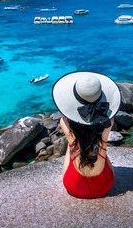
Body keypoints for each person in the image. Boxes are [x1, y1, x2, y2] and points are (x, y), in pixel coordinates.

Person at [52, 71, 121, 199]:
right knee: (101, 142)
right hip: (105, 186)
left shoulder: (64, 122)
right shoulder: (109, 121)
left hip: (74, 187)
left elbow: (66, 118)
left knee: (72, 142)